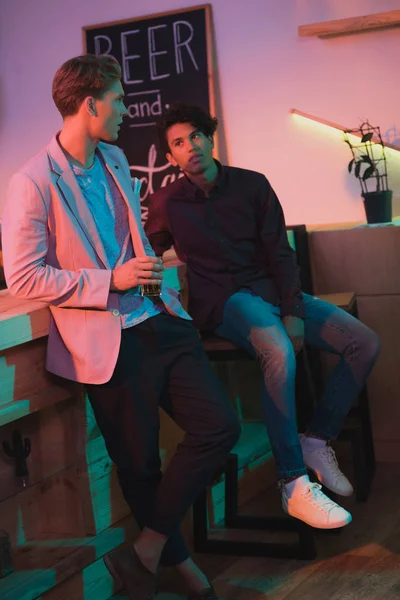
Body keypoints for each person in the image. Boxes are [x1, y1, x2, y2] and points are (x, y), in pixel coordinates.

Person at [2, 57, 241, 600]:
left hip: (161, 318)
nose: (127, 111)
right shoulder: (32, 180)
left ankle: (145, 551)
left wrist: (146, 266)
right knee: (139, 466)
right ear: (89, 104)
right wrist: (111, 279)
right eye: (119, 99)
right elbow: (23, 275)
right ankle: (181, 570)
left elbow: (126, 233)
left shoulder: (112, 156)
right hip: (108, 341)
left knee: (219, 427)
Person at [145, 102, 381, 530]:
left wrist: (293, 312)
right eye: (179, 142)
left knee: (363, 342)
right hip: (226, 303)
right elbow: (146, 253)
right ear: (170, 157)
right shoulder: (166, 203)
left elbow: (279, 252)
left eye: (196, 135)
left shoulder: (252, 185)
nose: (190, 146)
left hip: (273, 291)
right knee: (278, 352)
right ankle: (292, 483)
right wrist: (153, 302)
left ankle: (315, 439)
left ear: (210, 137)